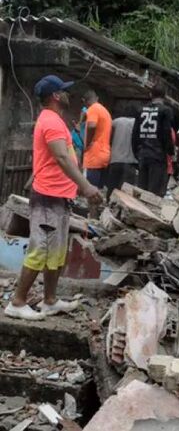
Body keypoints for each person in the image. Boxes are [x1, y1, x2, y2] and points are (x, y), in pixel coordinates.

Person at [4, 75, 102, 321]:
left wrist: (75, 186)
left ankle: (49, 300)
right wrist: (86, 186)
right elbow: (60, 157)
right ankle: (17, 302)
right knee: (40, 250)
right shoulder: (51, 122)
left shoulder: (55, 120)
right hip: (48, 197)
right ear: (56, 96)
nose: (69, 94)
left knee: (57, 253)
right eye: (64, 91)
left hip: (59, 197)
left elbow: (62, 160)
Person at [132, 85, 174, 197]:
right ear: (164, 96)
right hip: (158, 155)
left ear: (150, 95)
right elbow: (166, 133)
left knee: (142, 190)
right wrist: (170, 151)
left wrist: (136, 152)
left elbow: (135, 134)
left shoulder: (140, 110)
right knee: (154, 193)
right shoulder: (165, 111)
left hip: (143, 154)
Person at [105, 104, 138, 198]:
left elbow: (109, 137)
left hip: (115, 160)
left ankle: (107, 207)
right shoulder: (137, 123)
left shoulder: (116, 122)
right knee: (125, 193)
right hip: (130, 162)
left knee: (111, 188)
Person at [82, 90, 112, 188]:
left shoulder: (92, 109)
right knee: (98, 191)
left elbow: (91, 126)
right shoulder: (105, 111)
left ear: (85, 101)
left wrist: (86, 144)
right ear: (97, 98)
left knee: (90, 190)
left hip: (94, 155)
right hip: (104, 154)